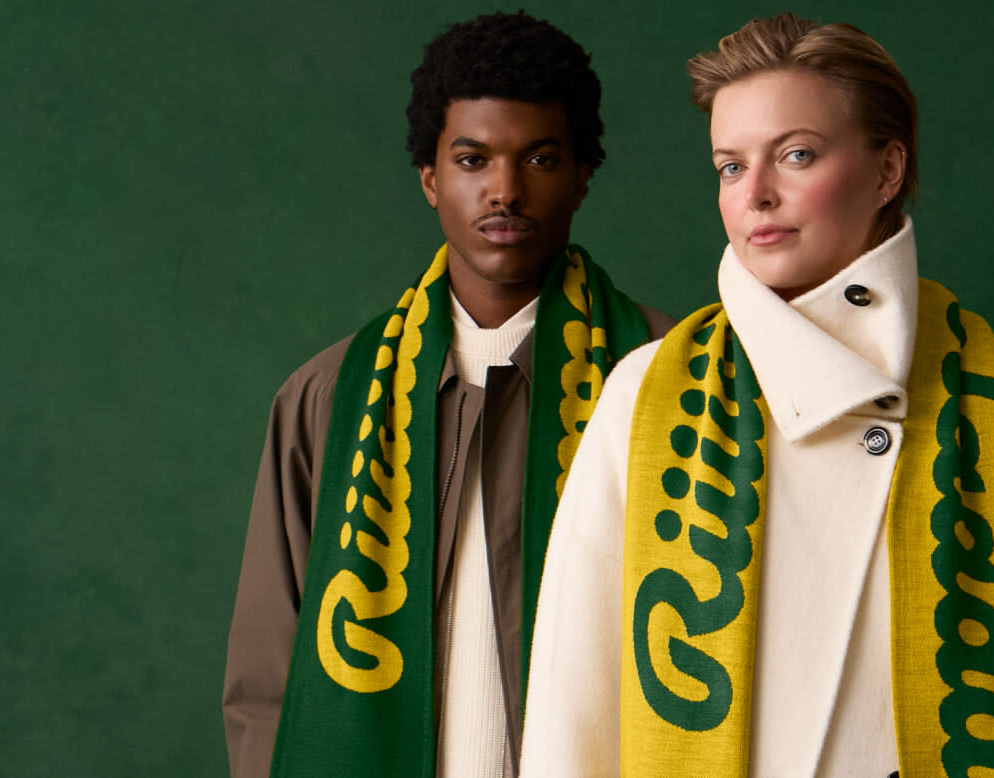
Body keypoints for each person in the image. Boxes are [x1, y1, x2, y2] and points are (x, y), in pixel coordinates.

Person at [520, 13, 994, 777]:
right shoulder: (644, 398)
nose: (756, 194)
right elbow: (575, 708)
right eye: (730, 167)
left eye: (796, 155)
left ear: (887, 170)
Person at [222, 12, 673, 778]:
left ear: (582, 175)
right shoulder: (326, 397)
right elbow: (268, 685)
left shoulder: (671, 382)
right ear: (430, 178)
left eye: (539, 157)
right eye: (472, 159)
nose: (504, 189)